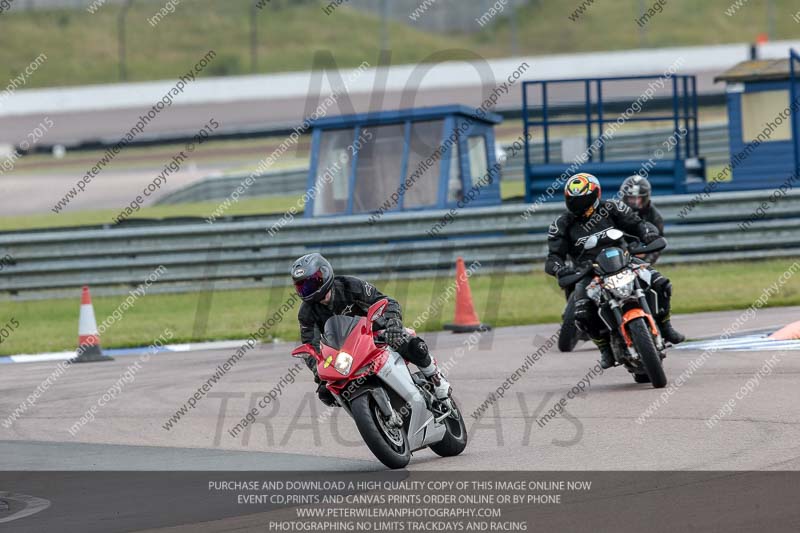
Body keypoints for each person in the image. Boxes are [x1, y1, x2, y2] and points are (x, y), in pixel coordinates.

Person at [545, 173, 685, 369]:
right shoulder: (561, 223)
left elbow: (637, 224)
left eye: (582, 199)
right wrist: (560, 270)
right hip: (589, 271)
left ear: (595, 194)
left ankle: (666, 326)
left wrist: (648, 233)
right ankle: (605, 349)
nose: (577, 204)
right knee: (582, 313)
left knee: (661, 283)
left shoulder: (612, 207)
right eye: (572, 199)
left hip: (624, 260)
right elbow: (553, 257)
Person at [291, 253, 451, 406]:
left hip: (374, 335)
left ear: (325, 274)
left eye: (312, 283)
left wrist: (393, 324)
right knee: (325, 392)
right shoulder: (306, 313)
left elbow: (387, 302)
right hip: (345, 354)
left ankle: (435, 377)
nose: (308, 289)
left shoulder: (349, 285)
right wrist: (317, 369)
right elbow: (310, 346)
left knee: (408, 342)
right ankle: (365, 407)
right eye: (303, 287)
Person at [619, 175, 664, 264]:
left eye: (637, 198)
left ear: (645, 198)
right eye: (630, 198)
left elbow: (658, 244)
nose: (633, 202)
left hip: (642, 254)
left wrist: (645, 262)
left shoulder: (654, 216)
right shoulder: (617, 211)